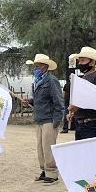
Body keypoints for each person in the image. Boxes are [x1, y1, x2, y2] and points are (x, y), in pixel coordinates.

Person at [25, 54, 64, 183]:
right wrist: (30, 101)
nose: (36, 68)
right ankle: (44, 170)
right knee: (40, 147)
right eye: (35, 66)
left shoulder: (51, 81)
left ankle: (52, 174)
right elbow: (38, 100)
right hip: (39, 119)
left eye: (38, 66)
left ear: (45, 67)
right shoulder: (36, 82)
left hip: (49, 119)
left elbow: (58, 101)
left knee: (48, 147)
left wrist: (57, 120)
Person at [66, 47, 96, 140]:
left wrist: (77, 107)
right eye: (79, 61)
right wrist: (73, 112)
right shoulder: (82, 78)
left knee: (91, 152)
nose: (80, 64)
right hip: (80, 123)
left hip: (92, 123)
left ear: (92, 62)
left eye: (83, 61)